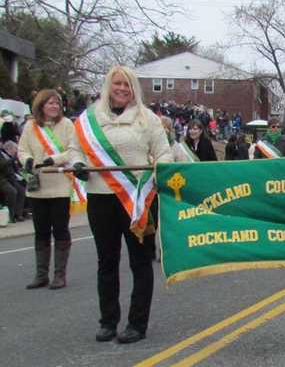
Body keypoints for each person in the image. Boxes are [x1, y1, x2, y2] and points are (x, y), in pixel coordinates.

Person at [70, 65, 172, 343]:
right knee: (107, 260)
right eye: (117, 84)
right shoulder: (88, 119)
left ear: (134, 88)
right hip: (101, 198)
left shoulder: (147, 118)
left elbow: (163, 152)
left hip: (136, 199)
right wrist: (77, 165)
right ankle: (108, 321)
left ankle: (137, 323)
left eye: (127, 85)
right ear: (108, 85)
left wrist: (160, 169)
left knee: (140, 262)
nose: (122, 89)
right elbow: (74, 150)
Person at [18, 89, 77, 289]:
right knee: (40, 230)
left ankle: (59, 275)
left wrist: (55, 159)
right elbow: (22, 149)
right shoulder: (30, 126)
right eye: (50, 103)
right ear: (41, 105)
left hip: (59, 184)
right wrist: (26, 160)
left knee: (60, 229)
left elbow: (73, 150)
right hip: (38, 185)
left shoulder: (67, 124)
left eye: (57, 103)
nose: (54, 107)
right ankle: (41, 274)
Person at [0, 141, 26, 222]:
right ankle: (10, 215)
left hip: (10, 178)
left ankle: (18, 214)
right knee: (12, 191)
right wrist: (12, 159)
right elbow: (2, 165)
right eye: (15, 149)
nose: (1, 143)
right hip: (3, 179)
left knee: (22, 190)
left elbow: (17, 168)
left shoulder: (4, 154)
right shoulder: (6, 155)